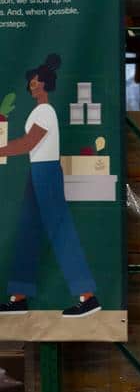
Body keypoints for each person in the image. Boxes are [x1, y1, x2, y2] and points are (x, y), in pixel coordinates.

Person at [0, 54, 99, 317]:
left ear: (45, 84)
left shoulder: (45, 111)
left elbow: (28, 143)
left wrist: (1, 149)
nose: (31, 85)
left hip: (45, 171)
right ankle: (19, 297)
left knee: (59, 230)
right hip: (38, 170)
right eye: (30, 82)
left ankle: (88, 297)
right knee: (28, 231)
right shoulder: (39, 111)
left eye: (35, 82)